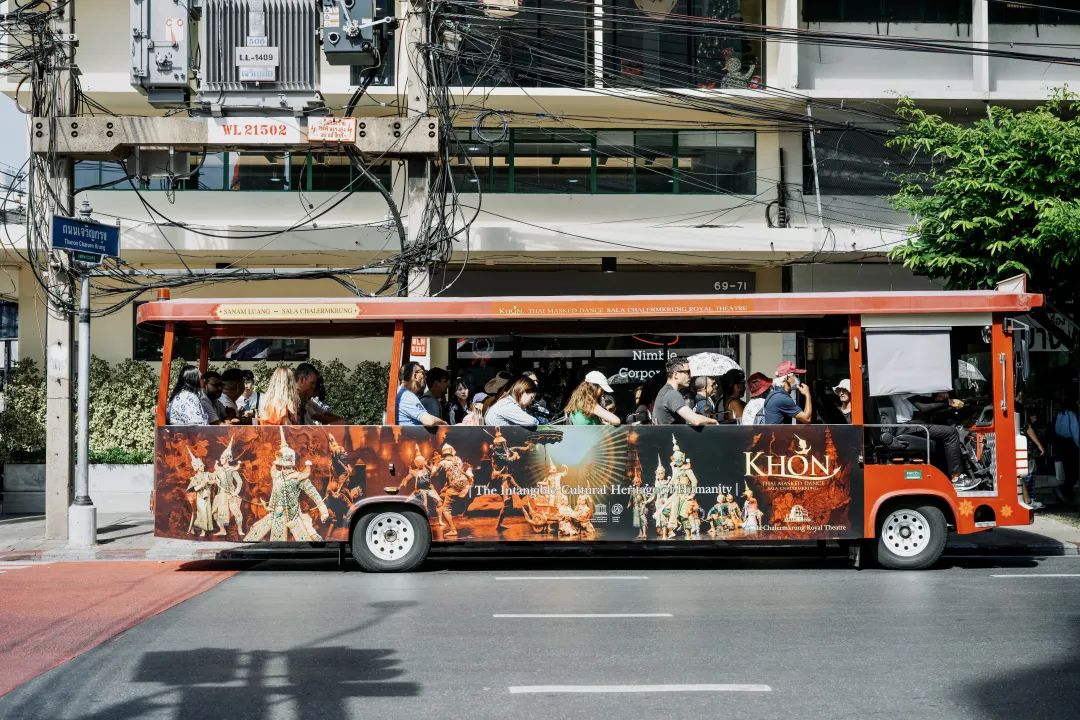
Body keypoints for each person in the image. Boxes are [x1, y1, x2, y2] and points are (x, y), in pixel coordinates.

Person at [890, 391, 968, 485]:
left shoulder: (898, 387)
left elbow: (922, 400)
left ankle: (943, 475)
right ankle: (957, 478)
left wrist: (938, 399)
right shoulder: (903, 386)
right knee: (951, 433)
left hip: (905, 426)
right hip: (905, 427)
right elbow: (923, 407)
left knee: (941, 430)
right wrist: (950, 402)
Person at [652, 356, 719, 426]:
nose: (691, 376)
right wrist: (714, 421)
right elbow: (695, 420)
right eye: (688, 372)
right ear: (676, 374)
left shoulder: (665, 391)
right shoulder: (672, 394)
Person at [396, 361, 447, 427]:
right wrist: (445, 423)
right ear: (415, 376)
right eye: (423, 373)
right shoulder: (407, 396)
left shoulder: (401, 393)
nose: (425, 377)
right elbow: (429, 421)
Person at [1053, 397, 1079, 506]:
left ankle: (1066, 491)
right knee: (1072, 468)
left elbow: (1057, 429)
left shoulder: (1060, 414)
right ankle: (1068, 492)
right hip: (1070, 443)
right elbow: (1075, 431)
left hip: (1061, 442)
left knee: (1066, 467)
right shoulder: (1071, 414)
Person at [1022, 406, 1046, 510]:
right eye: (1034, 417)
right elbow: (1029, 429)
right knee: (1029, 476)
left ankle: (1030, 499)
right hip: (1027, 453)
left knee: (1028, 476)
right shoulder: (1026, 424)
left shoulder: (1020, 422)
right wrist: (1040, 446)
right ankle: (1030, 500)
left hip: (1025, 453)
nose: (1035, 420)